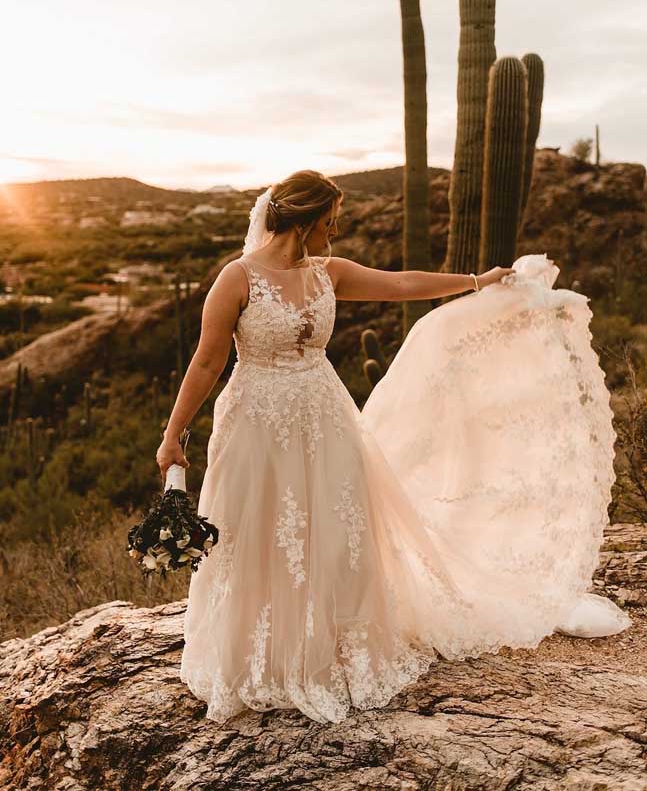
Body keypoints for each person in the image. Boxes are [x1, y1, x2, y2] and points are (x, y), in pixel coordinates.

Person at [157, 169, 631, 726]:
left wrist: (477, 282)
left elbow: (402, 284)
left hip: (324, 413)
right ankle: (258, 653)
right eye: (330, 222)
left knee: (336, 525)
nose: (335, 232)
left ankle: (331, 643)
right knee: (255, 527)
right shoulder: (236, 278)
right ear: (305, 221)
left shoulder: (328, 272)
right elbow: (208, 361)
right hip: (254, 421)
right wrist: (172, 435)